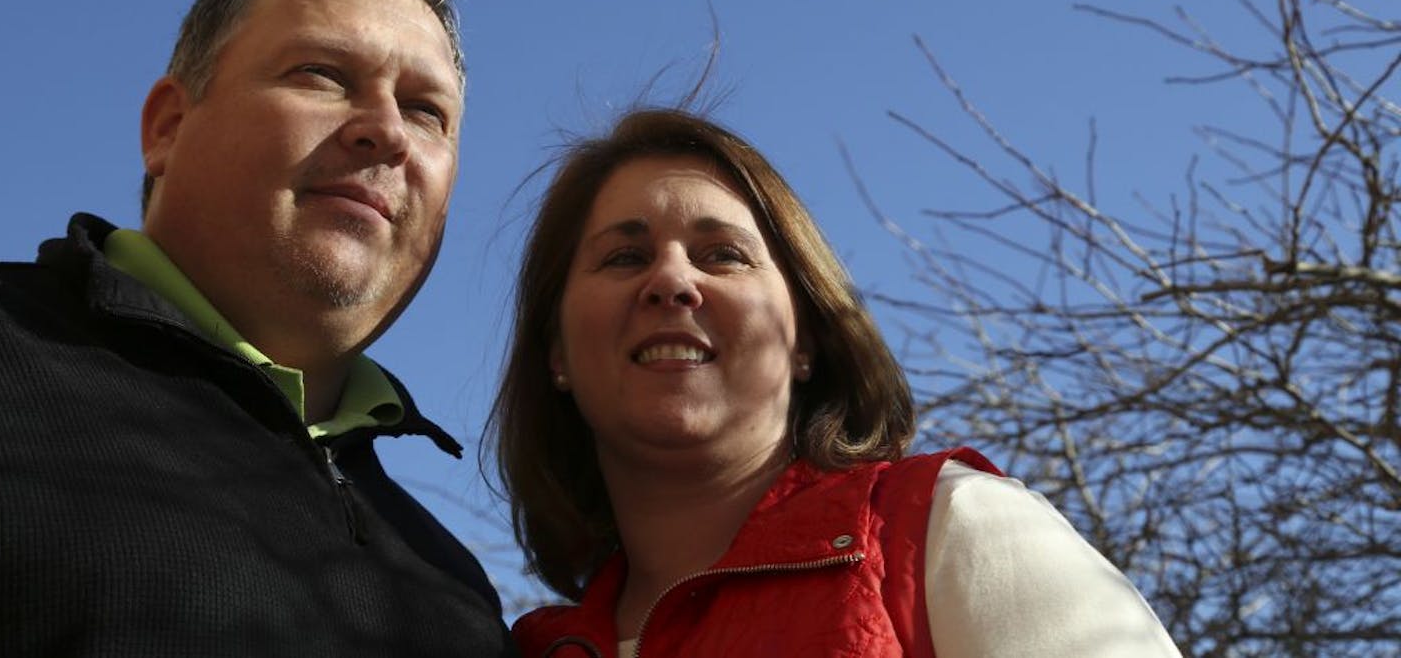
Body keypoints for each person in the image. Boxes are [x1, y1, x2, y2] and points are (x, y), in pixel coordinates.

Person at [0, 0, 514, 657]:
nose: (387, 131)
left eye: (427, 112)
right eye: (322, 75)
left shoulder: (458, 590)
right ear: (167, 126)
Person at [492, 107, 1181, 657]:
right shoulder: (525, 648)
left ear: (807, 340)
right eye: (624, 256)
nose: (672, 280)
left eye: (723, 255)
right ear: (555, 352)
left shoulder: (949, 528)